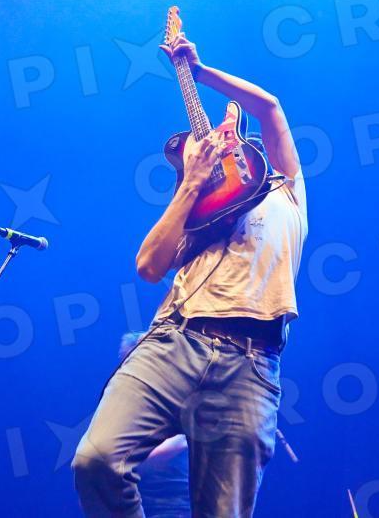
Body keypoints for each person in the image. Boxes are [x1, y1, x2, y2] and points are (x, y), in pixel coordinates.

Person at [71, 32, 306, 518]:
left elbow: (269, 107)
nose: (220, 142)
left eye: (229, 137)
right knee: (97, 460)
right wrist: (191, 184)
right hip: (175, 341)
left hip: (250, 362)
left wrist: (199, 72)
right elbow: (148, 266)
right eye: (213, 141)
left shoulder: (287, 189)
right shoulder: (198, 211)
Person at [118, 332, 191, 518]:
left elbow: (183, 441)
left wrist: (128, 462)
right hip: (135, 506)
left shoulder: (180, 399)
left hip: (176, 505)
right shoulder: (121, 407)